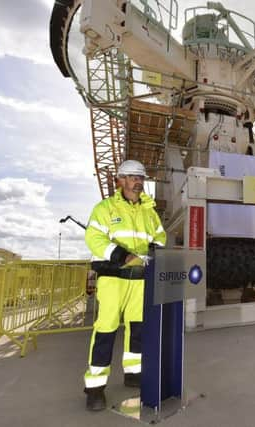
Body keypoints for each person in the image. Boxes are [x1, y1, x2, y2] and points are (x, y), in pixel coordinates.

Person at [83, 160, 167, 411]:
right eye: (131, 177)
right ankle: (95, 388)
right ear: (119, 180)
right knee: (106, 329)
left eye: (140, 177)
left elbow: (159, 237)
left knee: (138, 328)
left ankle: (133, 373)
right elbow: (94, 237)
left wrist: (155, 252)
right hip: (113, 278)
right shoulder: (105, 208)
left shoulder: (149, 213)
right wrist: (122, 256)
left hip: (140, 279)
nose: (137, 181)